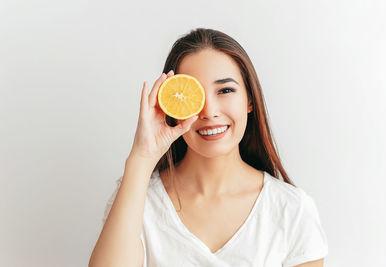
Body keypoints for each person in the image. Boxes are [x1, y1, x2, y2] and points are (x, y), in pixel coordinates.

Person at [89, 28, 328, 267]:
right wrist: (141, 158)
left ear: (250, 100)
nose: (209, 111)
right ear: (172, 104)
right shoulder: (138, 200)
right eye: (194, 95)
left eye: (225, 90)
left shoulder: (291, 210)